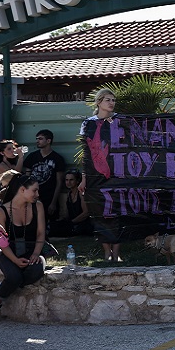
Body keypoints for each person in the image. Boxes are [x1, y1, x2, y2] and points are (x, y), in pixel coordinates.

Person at [0, 174, 47, 324]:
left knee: (37, 270)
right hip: (9, 251)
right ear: (23, 190)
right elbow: (1, 242)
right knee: (14, 277)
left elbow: (40, 233)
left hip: (32, 249)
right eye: (35, 191)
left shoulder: (38, 206)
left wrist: (36, 253)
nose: (37, 194)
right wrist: (15, 260)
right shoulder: (1, 211)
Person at [79, 88, 122, 261]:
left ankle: (117, 253)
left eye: (113, 100)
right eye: (107, 100)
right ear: (99, 102)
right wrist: (84, 178)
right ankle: (106, 251)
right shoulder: (88, 123)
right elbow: (85, 152)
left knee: (118, 211)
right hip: (95, 174)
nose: (111, 103)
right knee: (99, 212)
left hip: (117, 173)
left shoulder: (118, 120)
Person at [22, 129, 66, 229]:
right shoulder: (32, 157)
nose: (37, 141)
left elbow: (59, 182)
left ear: (48, 141)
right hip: (33, 195)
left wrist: (53, 202)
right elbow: (26, 177)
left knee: (49, 224)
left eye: (41, 139)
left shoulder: (57, 158)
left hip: (49, 196)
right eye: (37, 139)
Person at [53, 169, 93, 237]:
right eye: (66, 180)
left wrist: (72, 222)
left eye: (71, 180)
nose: (68, 182)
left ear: (77, 181)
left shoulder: (81, 193)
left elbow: (86, 213)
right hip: (74, 222)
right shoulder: (69, 194)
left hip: (84, 223)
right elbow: (67, 214)